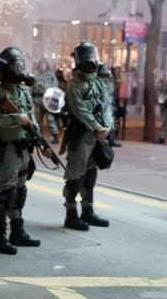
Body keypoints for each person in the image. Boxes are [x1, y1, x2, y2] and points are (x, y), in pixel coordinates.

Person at [0, 48, 50, 255]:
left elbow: (31, 119)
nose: (20, 70)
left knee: (20, 191)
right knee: (7, 192)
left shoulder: (23, 92)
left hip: (24, 149)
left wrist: (40, 141)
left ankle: (17, 231)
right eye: (16, 66)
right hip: (9, 151)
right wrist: (18, 119)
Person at [62, 42, 113, 231]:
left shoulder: (98, 82)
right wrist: (98, 127)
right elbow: (80, 110)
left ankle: (88, 210)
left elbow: (107, 105)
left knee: (91, 174)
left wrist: (107, 127)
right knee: (75, 176)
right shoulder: (74, 85)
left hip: (97, 136)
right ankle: (71, 214)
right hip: (81, 135)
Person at [31, 58, 60, 144]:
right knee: (36, 119)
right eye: (40, 64)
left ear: (46, 65)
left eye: (43, 64)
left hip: (47, 98)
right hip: (37, 99)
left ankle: (55, 135)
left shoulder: (50, 75)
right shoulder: (36, 75)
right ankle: (38, 136)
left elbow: (55, 86)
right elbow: (32, 86)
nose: (41, 66)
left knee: (50, 118)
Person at [98, 64, 121, 147]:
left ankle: (105, 139)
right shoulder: (109, 81)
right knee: (110, 123)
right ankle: (110, 140)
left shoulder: (99, 81)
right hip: (108, 105)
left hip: (104, 105)